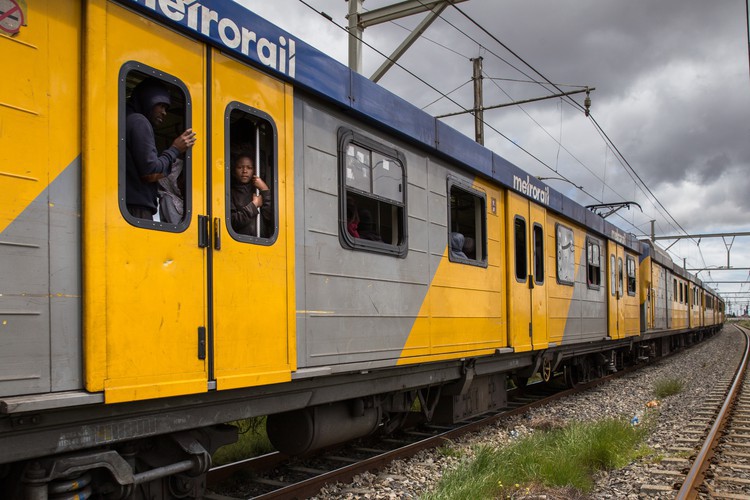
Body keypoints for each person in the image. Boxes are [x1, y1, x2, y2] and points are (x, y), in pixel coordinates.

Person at [125, 78, 196, 220]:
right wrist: (175, 149)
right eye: (161, 106)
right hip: (137, 209)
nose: (164, 113)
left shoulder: (126, 119)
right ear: (148, 100)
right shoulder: (139, 121)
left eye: (166, 108)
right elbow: (151, 171)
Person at [230, 152, 272, 236]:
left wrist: (265, 189)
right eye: (240, 167)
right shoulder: (230, 193)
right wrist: (254, 205)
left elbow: (270, 217)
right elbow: (232, 221)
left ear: (254, 171)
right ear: (234, 171)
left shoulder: (258, 191)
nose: (244, 171)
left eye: (249, 168)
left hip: (262, 243)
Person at [157, 158, 184, 223]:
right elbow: (177, 225)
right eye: (180, 178)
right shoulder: (167, 198)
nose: (184, 182)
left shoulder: (184, 199)